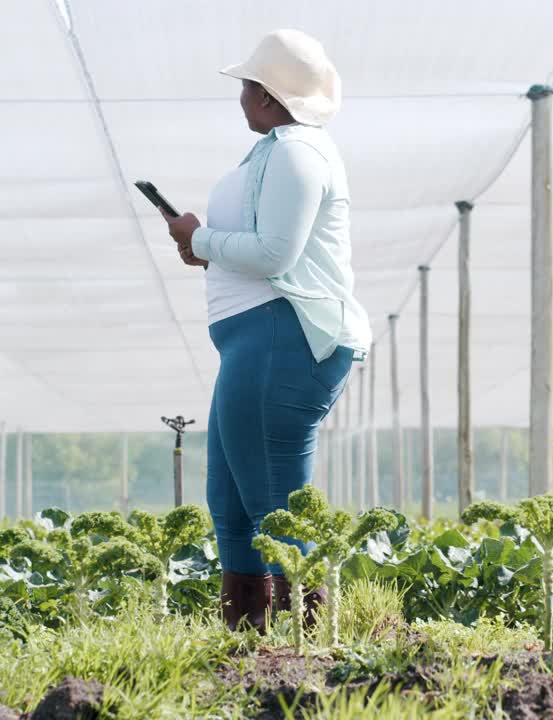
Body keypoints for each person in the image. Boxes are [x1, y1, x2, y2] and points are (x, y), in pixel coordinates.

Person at [162, 29, 369, 631]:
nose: (243, 96)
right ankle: (248, 641)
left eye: (248, 85)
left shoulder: (298, 152)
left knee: (272, 502)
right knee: (231, 501)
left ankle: (308, 644)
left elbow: (277, 252)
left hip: (283, 335)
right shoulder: (274, 150)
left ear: (269, 96)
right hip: (253, 342)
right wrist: (203, 248)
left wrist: (199, 239)